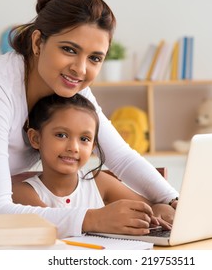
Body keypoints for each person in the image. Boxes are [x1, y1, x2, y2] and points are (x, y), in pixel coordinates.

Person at [0, 0, 178, 238]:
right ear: (37, 42)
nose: (80, 69)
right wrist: (94, 218)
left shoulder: (68, 88)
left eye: (94, 58)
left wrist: (173, 201)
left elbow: (120, 157)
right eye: (69, 49)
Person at [12, 93, 174, 234]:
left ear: (93, 147)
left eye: (84, 139)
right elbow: (52, 226)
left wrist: (161, 209)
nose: (73, 148)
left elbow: (149, 209)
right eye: (61, 135)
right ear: (35, 138)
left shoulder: (98, 181)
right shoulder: (22, 192)